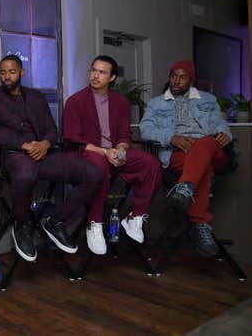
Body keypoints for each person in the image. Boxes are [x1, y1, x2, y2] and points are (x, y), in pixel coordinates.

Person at [0, 54, 103, 261]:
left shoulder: (35, 96)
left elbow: (51, 130)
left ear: (22, 73)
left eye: (11, 71)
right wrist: (24, 145)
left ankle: (56, 220)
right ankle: (22, 226)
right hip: (12, 154)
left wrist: (45, 144)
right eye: (3, 72)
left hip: (43, 153)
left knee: (93, 173)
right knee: (26, 173)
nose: (7, 77)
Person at [64, 55, 162, 255]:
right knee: (101, 163)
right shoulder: (75, 101)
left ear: (112, 78)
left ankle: (135, 218)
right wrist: (106, 152)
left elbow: (125, 135)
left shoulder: (121, 103)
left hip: (115, 153)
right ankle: (95, 222)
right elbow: (73, 139)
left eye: (102, 72)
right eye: (93, 70)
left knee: (150, 163)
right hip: (87, 154)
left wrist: (121, 149)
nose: (95, 75)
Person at [140, 60, 232, 257]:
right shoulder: (156, 103)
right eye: (174, 76)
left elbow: (219, 123)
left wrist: (225, 133)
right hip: (178, 154)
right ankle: (200, 224)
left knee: (205, 143)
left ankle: (185, 188)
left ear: (191, 80)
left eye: (183, 77)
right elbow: (145, 130)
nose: (176, 81)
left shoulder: (208, 99)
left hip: (210, 149)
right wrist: (170, 137)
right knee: (203, 170)